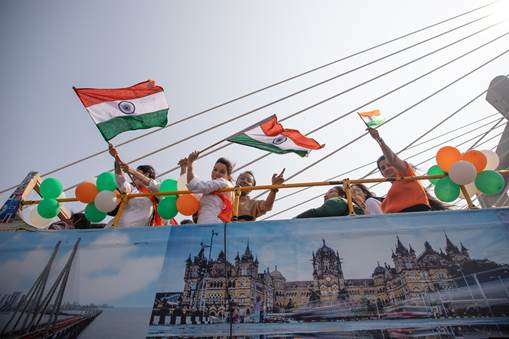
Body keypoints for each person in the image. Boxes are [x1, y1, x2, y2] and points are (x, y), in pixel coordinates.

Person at [368, 128, 431, 213]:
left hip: (416, 213)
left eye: (388, 165)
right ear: (382, 174)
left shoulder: (406, 174)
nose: (386, 169)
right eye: (383, 168)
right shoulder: (386, 201)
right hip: (398, 221)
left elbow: (393, 159)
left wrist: (379, 140)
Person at [108, 144, 164, 227]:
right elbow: (121, 181)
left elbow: (155, 187)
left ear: (147, 174)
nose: (133, 176)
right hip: (115, 229)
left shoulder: (156, 194)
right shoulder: (132, 190)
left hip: (136, 235)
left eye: (138, 172)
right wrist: (116, 157)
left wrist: (132, 171)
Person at [180, 151, 234, 224]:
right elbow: (189, 192)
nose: (217, 173)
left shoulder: (224, 182)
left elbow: (195, 186)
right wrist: (184, 168)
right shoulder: (209, 191)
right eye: (215, 169)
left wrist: (190, 164)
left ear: (228, 176)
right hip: (206, 225)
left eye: (222, 172)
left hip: (213, 224)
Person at [296, 186, 363, 218]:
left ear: (342, 195)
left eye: (331, 192)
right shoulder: (349, 205)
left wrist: (290, 222)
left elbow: (315, 213)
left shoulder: (339, 200)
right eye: (325, 194)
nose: (325, 196)